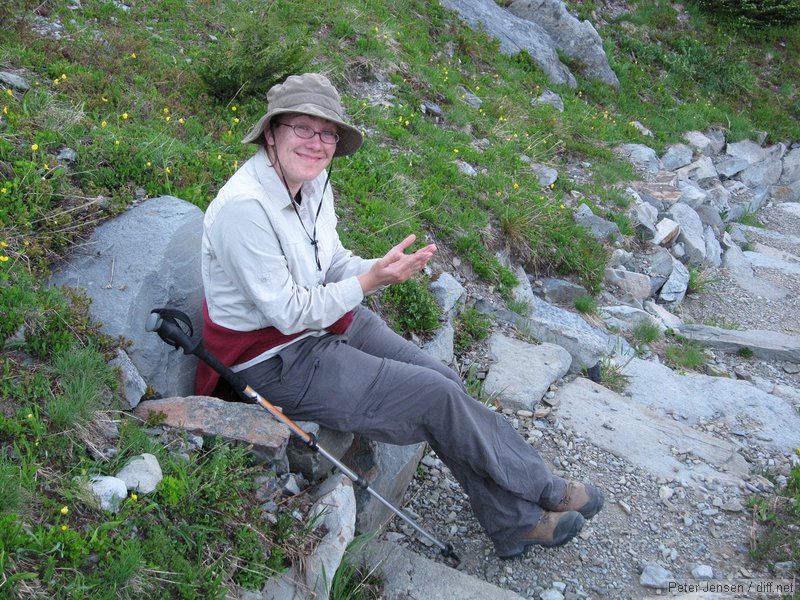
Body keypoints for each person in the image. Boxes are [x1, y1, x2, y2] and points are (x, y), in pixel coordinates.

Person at [196, 72, 603, 559]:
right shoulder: (245, 208)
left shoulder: (313, 180)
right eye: (303, 128)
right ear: (271, 133)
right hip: (274, 355)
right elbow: (286, 313)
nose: (318, 143)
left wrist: (376, 267)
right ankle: (543, 490)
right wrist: (368, 285)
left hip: (327, 318)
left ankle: (511, 519)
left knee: (442, 379)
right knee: (433, 398)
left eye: (328, 133)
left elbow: (330, 260)